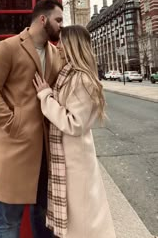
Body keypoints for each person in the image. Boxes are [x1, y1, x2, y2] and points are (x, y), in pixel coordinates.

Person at [0, 0, 64, 238]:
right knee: (8, 221)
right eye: (58, 20)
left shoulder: (55, 53)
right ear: (43, 19)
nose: (61, 26)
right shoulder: (9, 47)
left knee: (45, 220)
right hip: (15, 150)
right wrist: (11, 123)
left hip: (46, 153)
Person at [33, 25, 116, 238]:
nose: (57, 46)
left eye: (61, 42)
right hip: (69, 158)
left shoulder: (82, 79)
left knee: (84, 221)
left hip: (76, 161)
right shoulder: (69, 74)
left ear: (72, 45)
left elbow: (74, 123)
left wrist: (45, 96)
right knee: (77, 219)